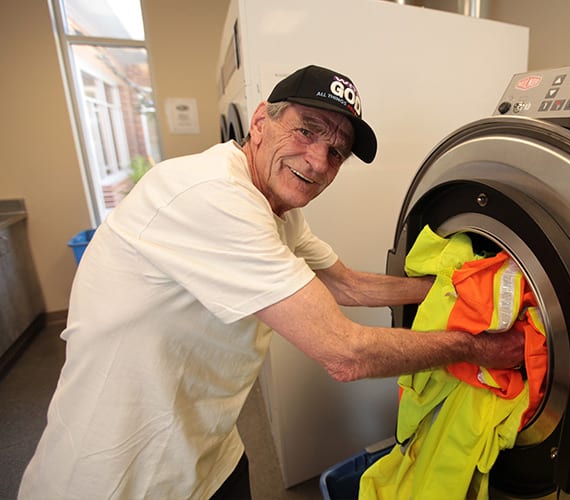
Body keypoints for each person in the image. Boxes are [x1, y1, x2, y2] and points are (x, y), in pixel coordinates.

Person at [18, 65, 524, 499]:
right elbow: (345, 353)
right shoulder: (212, 196)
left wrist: (461, 284)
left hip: (207, 447)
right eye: (307, 130)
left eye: (337, 151)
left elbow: (348, 286)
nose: (319, 161)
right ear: (260, 120)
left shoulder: (274, 210)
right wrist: (478, 348)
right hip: (123, 473)